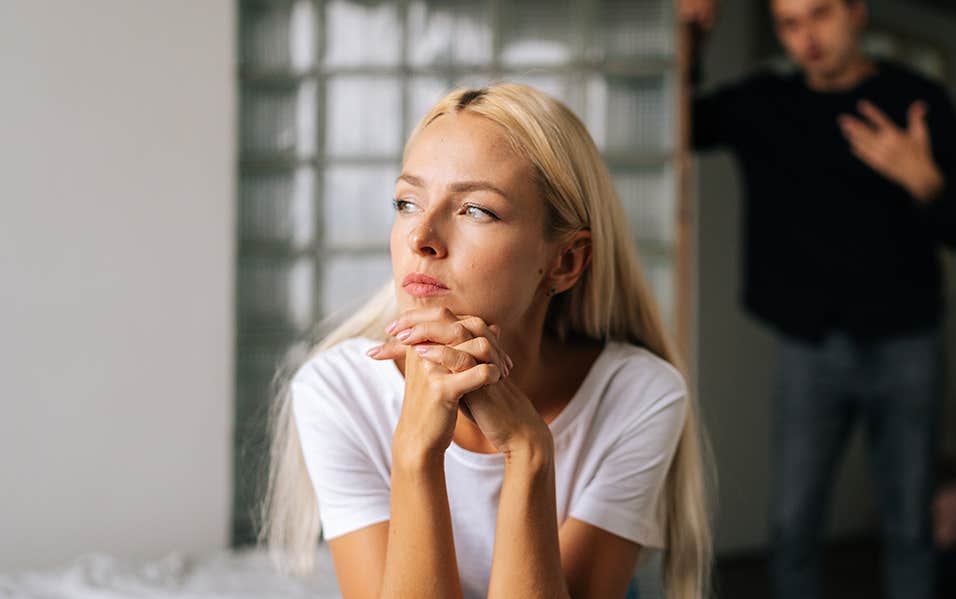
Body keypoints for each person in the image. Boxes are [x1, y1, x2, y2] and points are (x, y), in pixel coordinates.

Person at [258, 83, 712, 599]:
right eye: (407, 202)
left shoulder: (639, 396)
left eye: (476, 210)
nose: (420, 237)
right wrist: (415, 455)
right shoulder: (336, 390)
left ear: (564, 261)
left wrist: (529, 452)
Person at [679, 0, 956, 597]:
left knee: (908, 529)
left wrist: (923, 181)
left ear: (856, 13)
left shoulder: (916, 100)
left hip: (909, 345)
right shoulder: (767, 102)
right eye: (789, 24)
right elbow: (684, 125)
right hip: (810, 348)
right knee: (792, 527)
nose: (806, 37)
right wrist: (694, 35)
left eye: (819, 14)